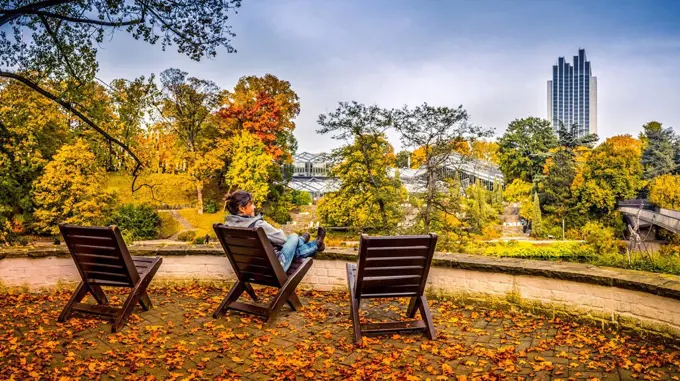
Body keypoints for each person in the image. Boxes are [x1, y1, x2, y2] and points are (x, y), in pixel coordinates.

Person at [224, 190, 325, 271]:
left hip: (249, 270)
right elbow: (283, 239)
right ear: (242, 208)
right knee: (293, 237)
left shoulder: (227, 226)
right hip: (275, 268)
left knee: (290, 246)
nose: (254, 207)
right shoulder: (257, 225)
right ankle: (309, 242)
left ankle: (314, 243)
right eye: (251, 204)